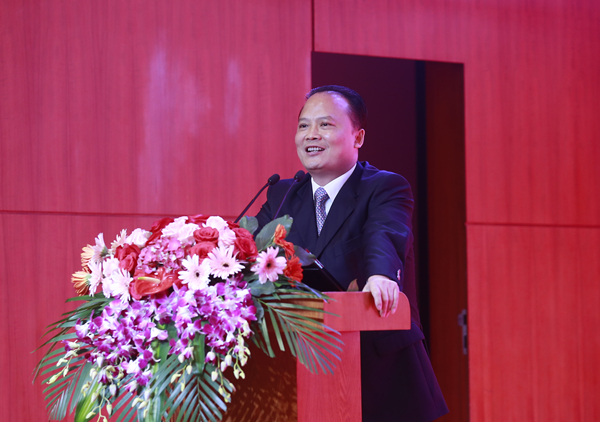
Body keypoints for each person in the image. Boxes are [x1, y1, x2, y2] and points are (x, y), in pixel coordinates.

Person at [255, 85, 448, 421]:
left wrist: (381, 275)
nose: (311, 134)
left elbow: (384, 234)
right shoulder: (283, 193)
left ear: (357, 137)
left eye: (325, 125)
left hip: (379, 372)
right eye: (304, 125)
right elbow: (247, 247)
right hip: (299, 368)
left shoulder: (384, 187)